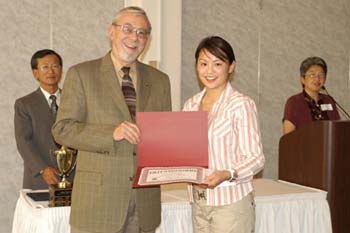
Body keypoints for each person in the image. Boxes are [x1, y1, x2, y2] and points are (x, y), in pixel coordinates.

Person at [52, 6, 171, 233]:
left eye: (142, 32)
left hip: (144, 205)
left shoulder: (160, 80)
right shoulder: (82, 74)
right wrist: (111, 133)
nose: (134, 37)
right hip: (97, 204)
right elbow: (62, 129)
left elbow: (163, 136)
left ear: (147, 39)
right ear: (111, 31)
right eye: (127, 29)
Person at [182, 36, 265, 233]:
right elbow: (185, 152)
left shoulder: (241, 104)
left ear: (231, 66)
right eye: (203, 64)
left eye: (217, 64)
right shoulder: (190, 105)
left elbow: (256, 158)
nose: (209, 71)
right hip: (199, 201)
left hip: (231, 204)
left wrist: (228, 173)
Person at [14, 49, 66, 190]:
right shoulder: (25, 104)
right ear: (35, 72)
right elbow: (23, 142)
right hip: (41, 177)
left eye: (55, 66)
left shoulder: (73, 100)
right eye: (45, 67)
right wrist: (43, 168)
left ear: (61, 70)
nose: (51, 71)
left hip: (74, 177)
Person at [282, 56, 340, 134]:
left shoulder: (329, 100)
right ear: (302, 79)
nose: (317, 79)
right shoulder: (294, 102)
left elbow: (338, 130)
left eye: (321, 75)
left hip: (328, 145)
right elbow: (288, 136)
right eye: (312, 75)